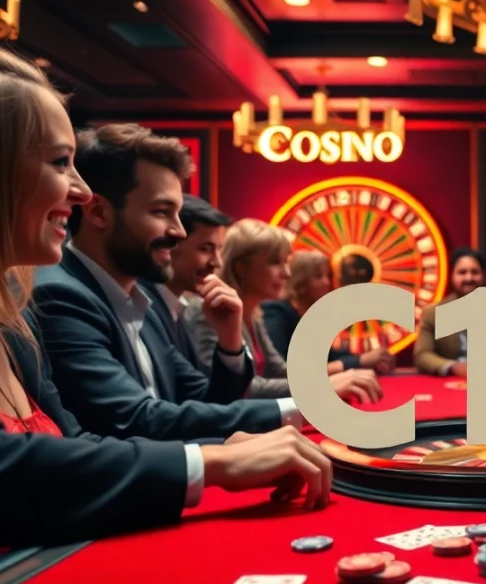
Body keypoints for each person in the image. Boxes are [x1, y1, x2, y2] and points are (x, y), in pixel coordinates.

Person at [0, 39, 330, 577]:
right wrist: (210, 460)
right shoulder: (55, 296)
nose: (79, 191)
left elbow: (79, 444)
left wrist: (222, 446)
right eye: (60, 163)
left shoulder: (12, 323)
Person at [30, 123, 294, 441]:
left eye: (177, 214)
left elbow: (205, 401)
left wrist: (229, 341)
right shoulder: (60, 295)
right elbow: (135, 419)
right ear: (98, 212)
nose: (179, 231)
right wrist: (304, 408)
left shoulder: (143, 300)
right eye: (161, 212)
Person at [184, 219, 382, 402]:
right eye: (275, 263)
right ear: (241, 268)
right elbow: (234, 389)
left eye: (286, 262)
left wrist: (340, 376)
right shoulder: (208, 310)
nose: (287, 273)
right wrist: (322, 386)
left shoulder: (255, 313)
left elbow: (279, 370)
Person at [262, 249, 394, 374]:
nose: (327, 282)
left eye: (328, 276)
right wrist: (359, 361)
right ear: (300, 283)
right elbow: (283, 371)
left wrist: (369, 358)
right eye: (318, 276)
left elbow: (328, 357)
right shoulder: (275, 313)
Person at [141, 194, 230, 372]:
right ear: (170, 246)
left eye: (219, 250)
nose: (217, 262)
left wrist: (230, 337)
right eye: (205, 249)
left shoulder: (175, 307)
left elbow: (201, 384)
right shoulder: (143, 307)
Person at [414, 247, 486, 376]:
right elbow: (422, 355)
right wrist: (453, 367)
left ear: (483, 276)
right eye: (462, 272)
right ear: (451, 276)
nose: (469, 278)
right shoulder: (433, 313)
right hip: (452, 380)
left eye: (475, 272)